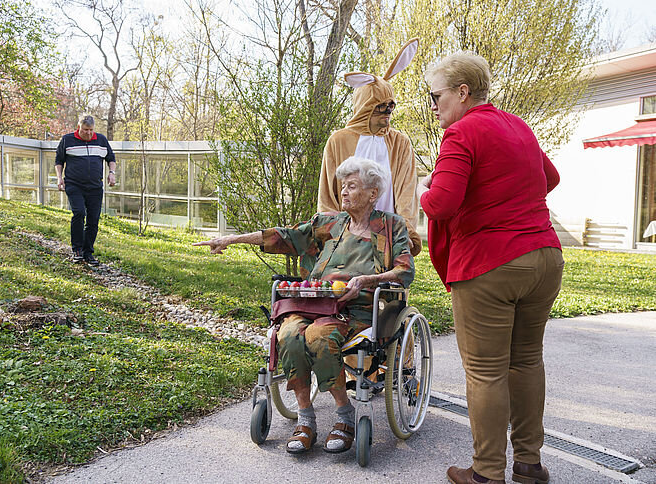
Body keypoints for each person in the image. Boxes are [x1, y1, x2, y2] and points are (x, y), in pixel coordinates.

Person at [194, 156, 414, 455]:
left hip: (358, 309)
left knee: (319, 337)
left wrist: (366, 280)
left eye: (352, 186)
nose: (344, 192)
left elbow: (404, 271)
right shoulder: (329, 223)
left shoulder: (390, 226)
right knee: (288, 335)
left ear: (373, 194)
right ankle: (306, 417)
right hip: (312, 302)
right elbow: (284, 235)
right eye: (342, 186)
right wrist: (233, 239)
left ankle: (344, 415)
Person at [417, 52, 563, 484]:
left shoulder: (461, 133)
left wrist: (421, 188)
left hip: (490, 264)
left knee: (486, 373)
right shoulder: (518, 125)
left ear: (463, 92)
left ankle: (486, 472)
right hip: (544, 257)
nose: (433, 105)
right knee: (526, 362)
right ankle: (530, 465)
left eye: (436, 95)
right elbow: (549, 178)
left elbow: (441, 203)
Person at [318, 38, 423, 257]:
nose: (387, 113)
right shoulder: (339, 140)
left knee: (385, 289)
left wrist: (404, 234)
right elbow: (328, 195)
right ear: (365, 108)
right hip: (346, 238)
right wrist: (331, 235)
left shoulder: (400, 143)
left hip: (388, 238)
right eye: (380, 107)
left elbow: (406, 194)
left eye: (390, 106)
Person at [55, 115, 116, 266]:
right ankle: (77, 250)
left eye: (91, 130)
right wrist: (59, 178)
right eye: (85, 130)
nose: (88, 133)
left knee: (93, 219)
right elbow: (59, 160)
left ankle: (88, 252)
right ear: (79, 127)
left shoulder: (101, 140)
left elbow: (111, 158)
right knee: (79, 212)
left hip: (95, 187)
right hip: (74, 185)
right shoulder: (67, 140)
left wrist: (111, 173)